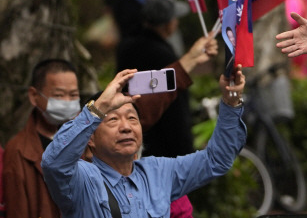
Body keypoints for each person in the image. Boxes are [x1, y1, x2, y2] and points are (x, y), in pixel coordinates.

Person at [41, 67, 245, 218]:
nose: (126, 127)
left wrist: (231, 99)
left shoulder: (158, 171)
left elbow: (216, 160)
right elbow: (54, 163)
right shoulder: (82, 180)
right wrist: (100, 105)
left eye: (132, 118)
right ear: (91, 138)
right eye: (112, 120)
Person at [116, 0, 219, 217]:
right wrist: (183, 149)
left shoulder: (127, 46)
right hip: (162, 147)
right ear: (167, 24)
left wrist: (190, 59)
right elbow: (164, 102)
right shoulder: (161, 53)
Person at [2, 59, 81, 218]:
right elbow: (18, 210)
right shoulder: (19, 151)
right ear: (34, 96)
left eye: (73, 95)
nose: (67, 102)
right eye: (58, 95)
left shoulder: (85, 141)